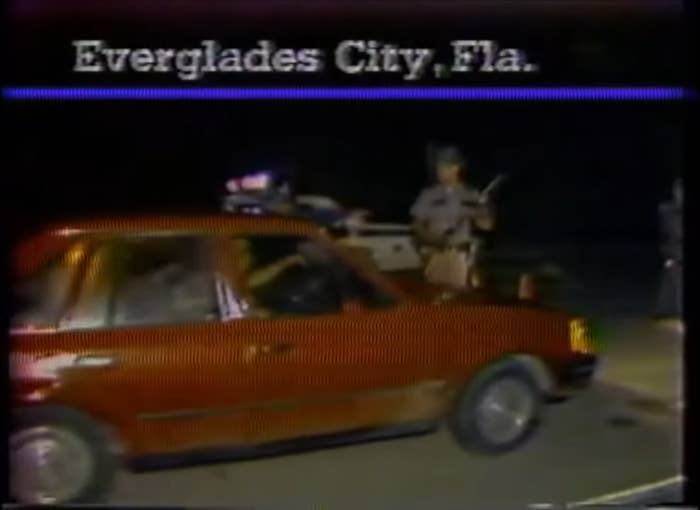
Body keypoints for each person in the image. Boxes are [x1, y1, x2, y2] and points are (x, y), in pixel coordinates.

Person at [410, 146, 494, 288]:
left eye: (443, 167)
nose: (438, 171)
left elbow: (487, 225)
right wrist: (432, 238)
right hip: (434, 256)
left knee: (459, 299)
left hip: (461, 257)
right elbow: (417, 225)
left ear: (455, 168)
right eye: (438, 167)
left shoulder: (472, 195)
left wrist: (485, 206)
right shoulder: (428, 194)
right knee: (433, 296)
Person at [655, 178, 683, 321]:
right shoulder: (667, 211)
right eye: (678, 190)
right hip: (674, 260)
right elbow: (666, 236)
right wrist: (667, 258)